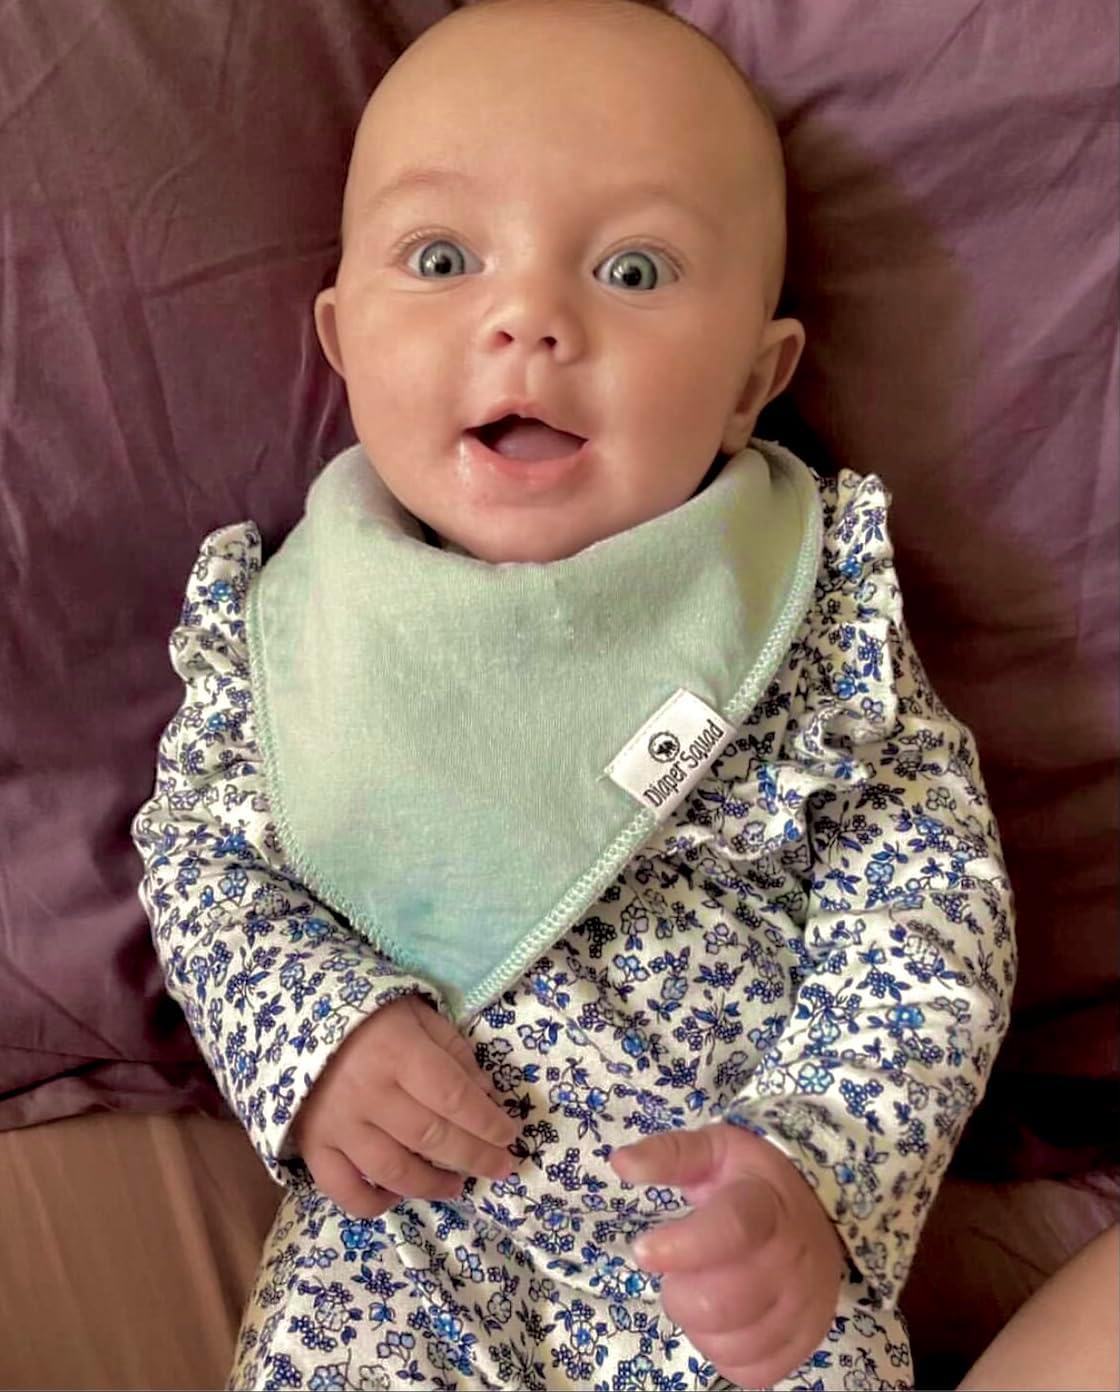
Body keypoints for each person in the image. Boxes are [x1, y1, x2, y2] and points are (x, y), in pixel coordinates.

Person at [131, 1, 1015, 1387]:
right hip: (399, 1254)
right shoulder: (283, 631)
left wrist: (819, 1169)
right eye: (442, 259)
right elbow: (201, 861)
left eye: (634, 269)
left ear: (753, 382)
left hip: (720, 1238)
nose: (529, 319)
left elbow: (924, 906)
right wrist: (317, 1034)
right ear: (342, 339)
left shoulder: (806, 610)